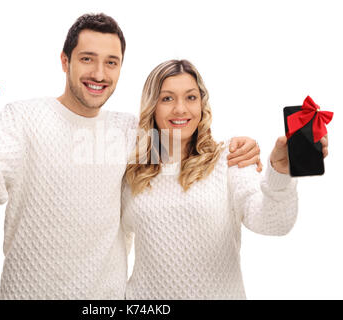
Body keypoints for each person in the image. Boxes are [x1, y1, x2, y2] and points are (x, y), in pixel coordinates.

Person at [0, 14, 261, 299]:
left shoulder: (130, 132)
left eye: (111, 62)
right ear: (65, 61)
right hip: (28, 292)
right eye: (87, 59)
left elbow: (185, 140)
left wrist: (238, 147)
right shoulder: (24, 118)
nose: (100, 74)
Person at [121, 59, 329, 299]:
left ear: (202, 104)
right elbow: (116, 250)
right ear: (152, 106)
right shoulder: (132, 173)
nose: (180, 109)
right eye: (167, 98)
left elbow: (273, 222)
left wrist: (279, 172)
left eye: (190, 97)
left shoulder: (229, 158)